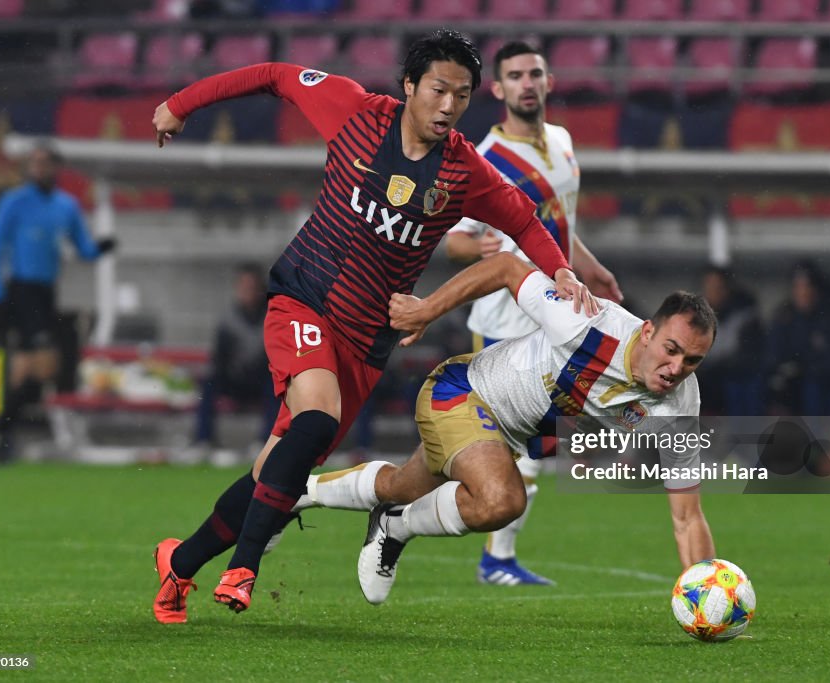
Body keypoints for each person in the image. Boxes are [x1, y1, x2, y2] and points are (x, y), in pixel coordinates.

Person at [150, 29, 597, 622]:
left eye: (461, 96)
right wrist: (180, 104)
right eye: (438, 90)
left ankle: (179, 565)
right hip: (305, 297)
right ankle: (245, 569)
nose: (448, 106)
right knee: (315, 419)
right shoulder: (355, 110)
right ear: (410, 86)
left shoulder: (463, 170)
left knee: (275, 474)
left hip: (366, 339)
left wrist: (561, 270)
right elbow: (274, 74)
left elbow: (523, 218)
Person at [289, 252, 716, 604]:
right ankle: (395, 526)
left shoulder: (680, 404)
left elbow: (687, 516)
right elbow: (506, 267)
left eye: (692, 361)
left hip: (505, 436)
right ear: (647, 332)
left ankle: (298, 491)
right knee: (503, 499)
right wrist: (427, 310)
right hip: (462, 392)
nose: (677, 368)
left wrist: (705, 593)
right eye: (671, 350)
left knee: (401, 486)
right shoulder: (587, 323)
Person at [444, 41, 624, 586]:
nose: (527, 83)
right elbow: (454, 239)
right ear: (497, 89)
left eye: (535, 73)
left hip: (559, 312)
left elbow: (558, 221)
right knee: (509, 448)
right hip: (505, 321)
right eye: (515, 75)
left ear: (548, 81)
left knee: (534, 446)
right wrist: (477, 249)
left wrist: (588, 264)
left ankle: (495, 557)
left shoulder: (564, 143)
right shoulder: (483, 157)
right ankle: (470, 547)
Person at [0, 142, 116, 462]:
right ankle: (1, 430)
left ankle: (0, 432)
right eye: (35, 163)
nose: (40, 168)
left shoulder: (66, 206)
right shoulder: (15, 202)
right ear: (29, 168)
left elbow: (83, 248)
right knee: (38, 364)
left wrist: (102, 248)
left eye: (46, 163)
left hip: (46, 293)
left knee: (32, 368)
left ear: (56, 167)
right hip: (20, 291)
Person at [193, 263, 278, 455]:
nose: (247, 292)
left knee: (276, 385)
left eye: (251, 287)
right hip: (234, 379)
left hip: (262, 379)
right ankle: (203, 441)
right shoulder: (229, 320)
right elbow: (219, 357)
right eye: (243, 287)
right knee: (208, 382)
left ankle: (265, 441)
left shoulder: (272, 317)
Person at [764, 260, 830, 416]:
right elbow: (772, 352)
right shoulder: (784, 315)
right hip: (790, 380)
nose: (802, 292)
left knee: (814, 389)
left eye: (807, 286)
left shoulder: (829, 317)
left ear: (816, 290)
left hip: (819, 380)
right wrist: (783, 369)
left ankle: (816, 436)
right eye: (798, 287)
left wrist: (806, 369)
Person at [699, 266, 764, 416]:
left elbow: (750, 355)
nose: (713, 292)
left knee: (741, 388)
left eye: (718, 287)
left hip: (737, 374)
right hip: (707, 375)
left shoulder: (745, 315)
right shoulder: (696, 314)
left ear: (727, 289)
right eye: (709, 287)